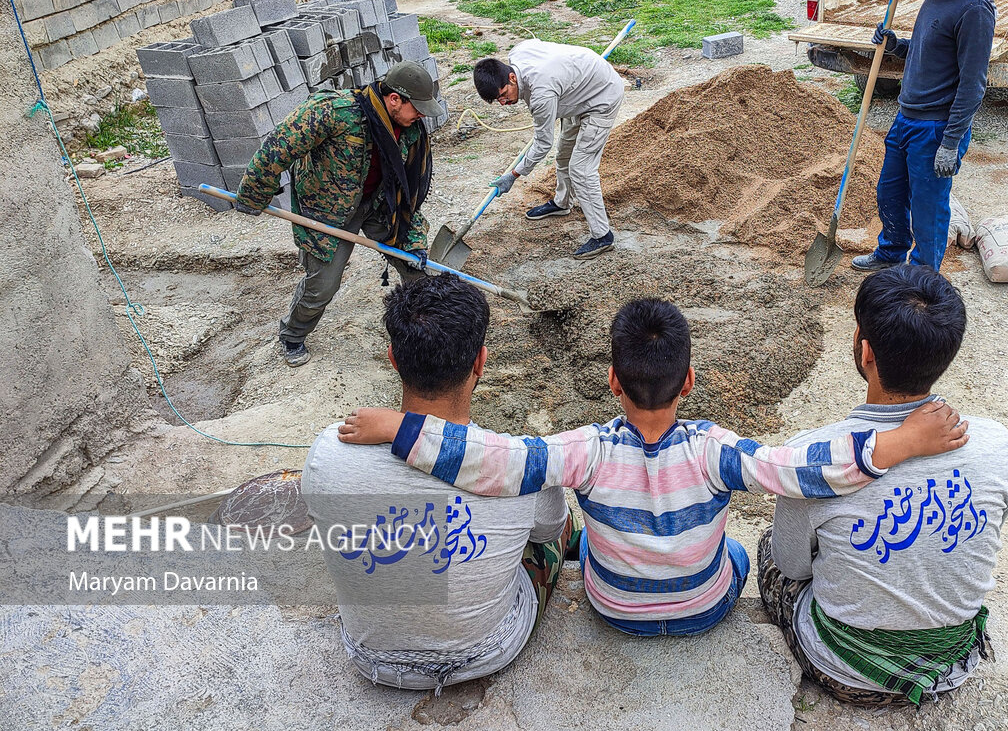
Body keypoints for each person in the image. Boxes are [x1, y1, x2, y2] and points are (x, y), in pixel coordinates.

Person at [337, 298, 969, 637]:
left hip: (612, 610)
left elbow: (489, 460)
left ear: (611, 380)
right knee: (744, 558)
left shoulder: (581, 450)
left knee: (581, 540)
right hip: (704, 609)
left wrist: (401, 427)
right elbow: (799, 469)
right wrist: (896, 445)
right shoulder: (716, 449)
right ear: (689, 380)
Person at [301, 274, 575, 692]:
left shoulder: (327, 452)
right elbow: (549, 530)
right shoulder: (521, 466)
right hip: (487, 650)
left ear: (393, 357)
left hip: (368, 655)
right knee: (556, 526)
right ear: (480, 362)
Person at [757, 265, 1008, 706]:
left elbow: (793, 566)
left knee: (769, 550)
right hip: (951, 663)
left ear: (865, 350)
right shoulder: (996, 443)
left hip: (846, 673)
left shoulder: (815, 457)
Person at [234, 61, 445, 367]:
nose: (422, 116)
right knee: (323, 285)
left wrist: (412, 238)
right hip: (326, 211)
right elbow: (277, 149)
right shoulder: (334, 111)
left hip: (377, 204)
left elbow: (407, 192)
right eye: (419, 108)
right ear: (395, 99)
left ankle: (426, 332)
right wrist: (254, 193)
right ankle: (292, 335)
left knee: (416, 267)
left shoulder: (410, 130)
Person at [853, 0, 997, 274]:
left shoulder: (974, 10)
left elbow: (973, 83)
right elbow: (928, 49)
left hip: (935, 128)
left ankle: (920, 277)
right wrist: (896, 46)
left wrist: (950, 142)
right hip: (906, 119)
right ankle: (890, 253)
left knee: (928, 208)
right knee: (890, 193)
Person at [473, 40, 625, 260]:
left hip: (602, 96)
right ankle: (562, 203)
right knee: (563, 155)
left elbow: (542, 143)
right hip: (576, 91)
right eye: (497, 100)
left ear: (512, 77)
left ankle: (602, 236)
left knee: (581, 169)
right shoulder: (518, 51)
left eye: (504, 94)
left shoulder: (541, 94)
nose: (503, 103)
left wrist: (514, 175)